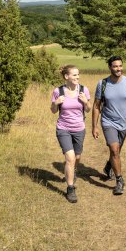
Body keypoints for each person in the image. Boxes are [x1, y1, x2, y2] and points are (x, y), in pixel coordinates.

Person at [92, 55, 126, 195]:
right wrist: (94, 126)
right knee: (114, 150)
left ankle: (109, 166)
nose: (118, 68)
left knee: (117, 151)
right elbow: (96, 106)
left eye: (120, 66)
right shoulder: (102, 84)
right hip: (108, 121)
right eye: (115, 66)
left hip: (124, 123)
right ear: (110, 67)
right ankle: (119, 180)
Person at [50, 65, 91, 203]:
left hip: (79, 128)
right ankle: (70, 188)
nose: (77, 77)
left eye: (78, 75)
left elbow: (89, 109)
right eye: (74, 75)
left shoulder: (84, 90)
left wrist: (86, 102)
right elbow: (53, 110)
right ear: (66, 77)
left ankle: (72, 171)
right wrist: (56, 103)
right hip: (63, 128)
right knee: (70, 157)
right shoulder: (58, 91)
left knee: (77, 157)